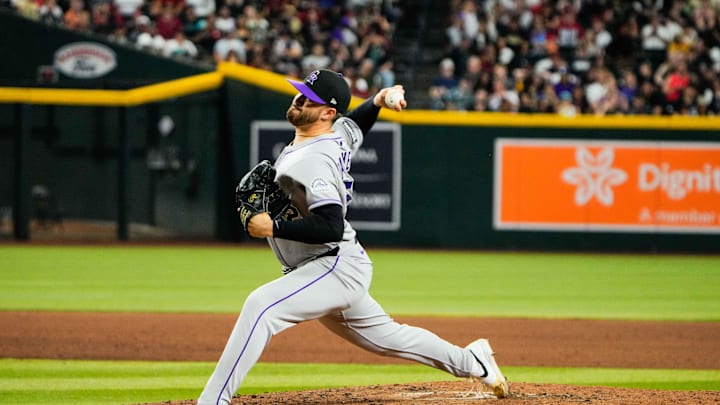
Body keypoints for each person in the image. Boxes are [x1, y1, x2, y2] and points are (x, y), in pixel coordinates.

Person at [197, 69, 509, 405]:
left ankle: (213, 400)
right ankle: (472, 360)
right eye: (300, 92)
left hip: (333, 265)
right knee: (390, 337)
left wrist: (272, 227)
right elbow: (356, 125)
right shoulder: (333, 134)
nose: (299, 99)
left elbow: (331, 224)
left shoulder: (315, 159)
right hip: (328, 265)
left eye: (308, 99)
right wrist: (377, 100)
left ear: (328, 113)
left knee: (261, 307)